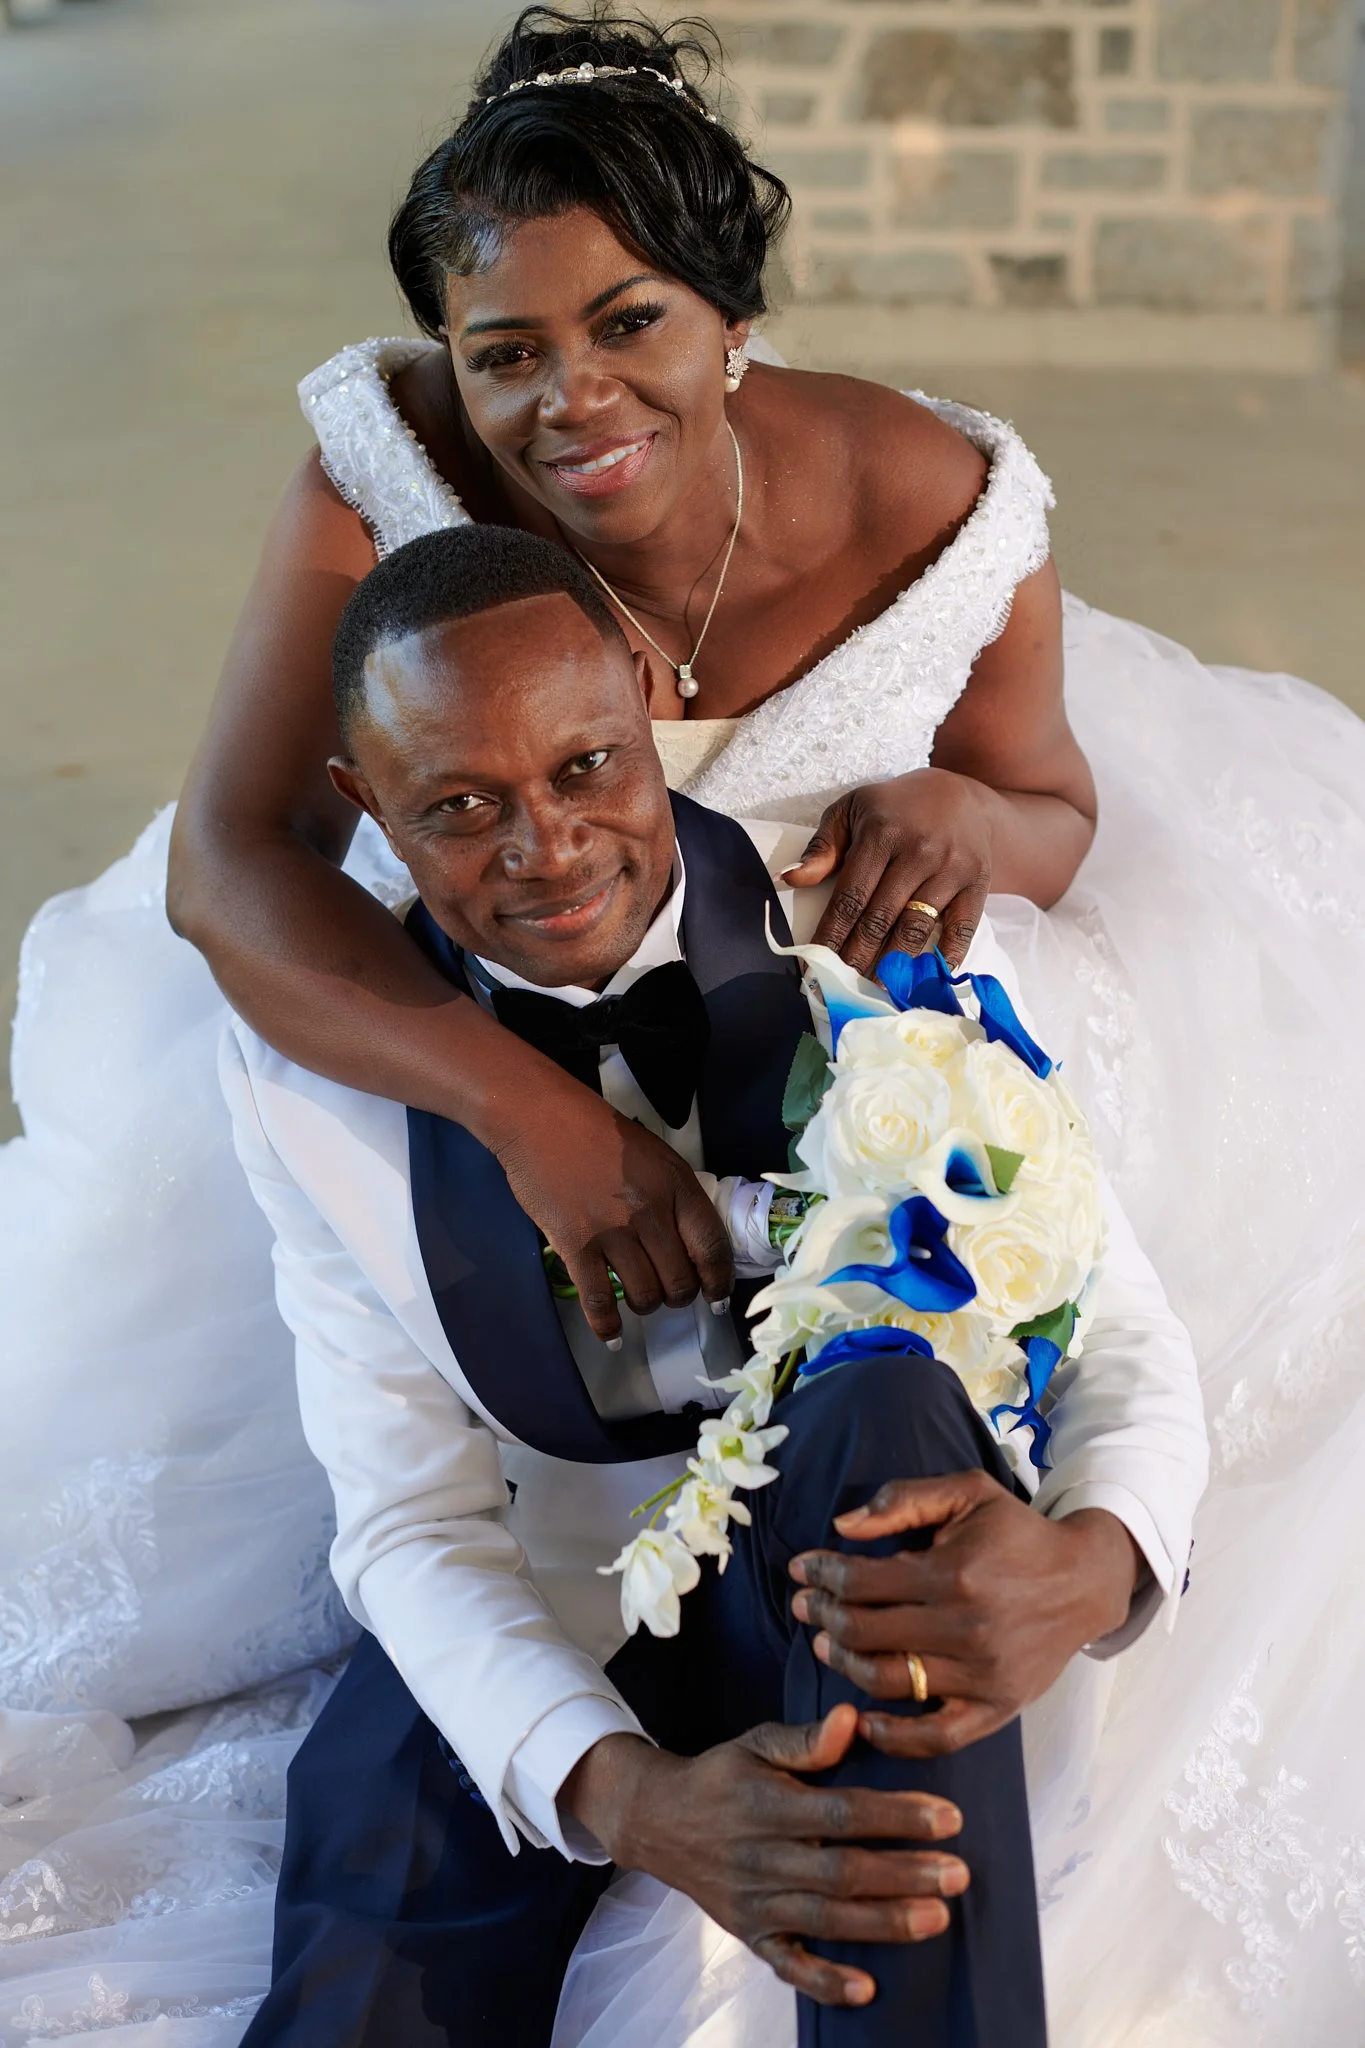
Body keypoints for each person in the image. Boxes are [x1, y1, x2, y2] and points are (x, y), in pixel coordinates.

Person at [0, 6, 1362, 2041]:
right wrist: (517, 1113)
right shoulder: (386, 483)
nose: (571, 396)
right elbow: (236, 865)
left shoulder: (931, 487)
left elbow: (1051, 802)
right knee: (415, 1426)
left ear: (730, 313)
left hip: (838, 941)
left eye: (628, 320)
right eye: (507, 352)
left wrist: (960, 813)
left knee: (959, 1327)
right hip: (496, 943)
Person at [220, 520, 1204, 2047]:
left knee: (887, 1410)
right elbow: (411, 1515)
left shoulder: (858, 920)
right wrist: (633, 1799)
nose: (546, 848)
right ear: (367, 808)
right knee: (366, 1963)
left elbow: (1103, 1300)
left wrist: (1103, 1558)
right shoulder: (311, 1066)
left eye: (587, 769)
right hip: (558, 1595)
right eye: (461, 806)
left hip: (840, 1541)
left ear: (640, 694)